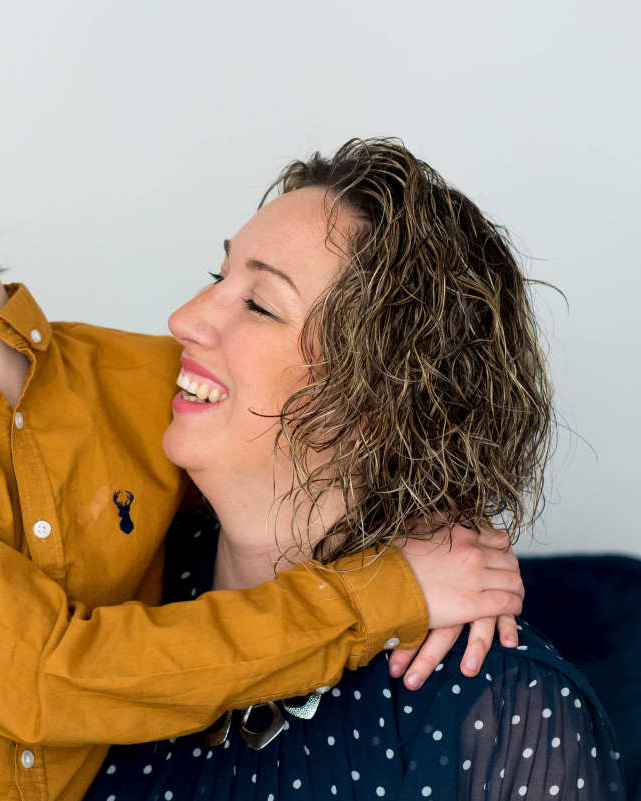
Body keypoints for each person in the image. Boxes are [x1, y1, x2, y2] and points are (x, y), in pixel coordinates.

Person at [0, 54, 525, 801]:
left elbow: (326, 439)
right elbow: (45, 675)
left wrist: (449, 529)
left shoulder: (146, 383)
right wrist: (386, 592)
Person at [83, 139, 625, 800]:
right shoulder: (111, 581)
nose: (183, 318)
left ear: (376, 401)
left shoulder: (499, 709)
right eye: (217, 276)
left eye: (259, 304)